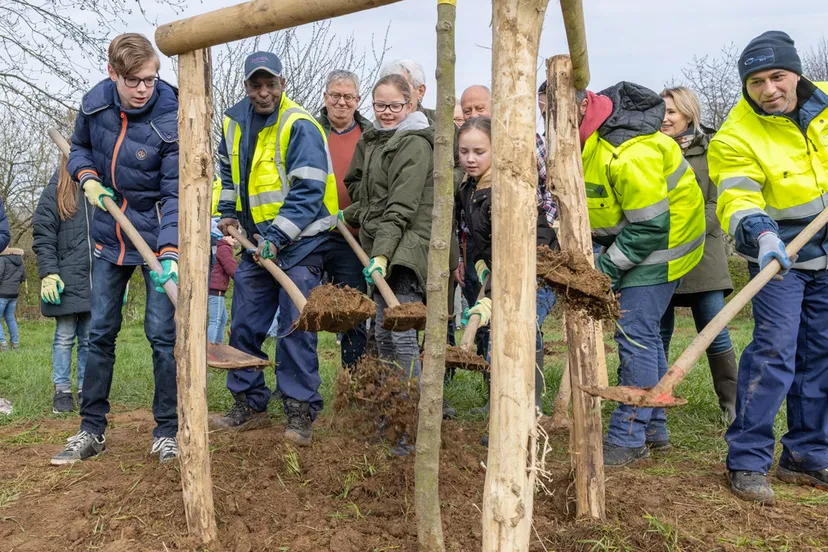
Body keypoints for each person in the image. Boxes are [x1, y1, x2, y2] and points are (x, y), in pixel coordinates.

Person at [709, 30, 828, 504]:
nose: (768, 89)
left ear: (796, 72)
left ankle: (806, 453)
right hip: (779, 257)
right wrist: (761, 234)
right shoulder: (736, 133)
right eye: (756, 81)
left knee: (820, 353)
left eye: (777, 76)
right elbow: (737, 194)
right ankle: (747, 458)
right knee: (776, 351)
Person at [51, 33, 180, 465]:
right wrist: (85, 174)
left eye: (150, 78)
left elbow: (175, 192)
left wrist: (171, 253)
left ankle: (167, 431)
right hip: (110, 234)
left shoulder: (174, 113)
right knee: (100, 331)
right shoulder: (95, 104)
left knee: (163, 336)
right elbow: (80, 148)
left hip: (158, 234)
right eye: (134, 80)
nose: (144, 88)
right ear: (113, 74)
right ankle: (91, 429)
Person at [210, 51, 338, 447]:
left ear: (283, 84)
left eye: (270, 84)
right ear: (246, 86)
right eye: (255, 85)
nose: (263, 92)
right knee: (245, 323)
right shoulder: (233, 124)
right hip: (255, 245)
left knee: (294, 326)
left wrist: (277, 238)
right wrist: (229, 212)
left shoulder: (300, 125)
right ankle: (249, 401)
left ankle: (299, 410)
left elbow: (308, 191)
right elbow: (228, 175)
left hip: (300, 244)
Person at [578, 82, 706, 467]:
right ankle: (654, 429)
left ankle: (628, 436)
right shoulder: (592, 141)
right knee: (644, 334)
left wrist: (605, 269)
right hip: (638, 237)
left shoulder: (630, 153)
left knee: (635, 332)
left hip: (664, 244)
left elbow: (650, 227)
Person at [342, 74, 434, 454]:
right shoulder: (379, 140)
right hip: (385, 245)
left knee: (400, 335)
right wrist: (347, 214)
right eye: (380, 105)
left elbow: (401, 207)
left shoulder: (413, 144)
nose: (387, 112)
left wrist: (381, 254)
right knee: (381, 334)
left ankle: (410, 420)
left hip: (408, 250)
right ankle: (390, 410)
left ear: (411, 104)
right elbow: (373, 199)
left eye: (395, 105)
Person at [456, 116, 557, 444]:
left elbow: (517, 246)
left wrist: (491, 297)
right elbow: (481, 240)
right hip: (500, 266)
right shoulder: (469, 188)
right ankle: (507, 414)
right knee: (502, 337)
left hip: (533, 268)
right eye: (464, 151)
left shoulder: (505, 188)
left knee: (522, 333)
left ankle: (529, 414)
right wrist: (484, 267)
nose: (471, 158)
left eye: (479, 152)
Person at [658, 86, 737, 422]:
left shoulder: (712, 148)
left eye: (671, 112)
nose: (664, 118)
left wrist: (685, 233)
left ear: (688, 113)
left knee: (713, 327)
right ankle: (655, 400)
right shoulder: (651, 150)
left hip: (703, 255)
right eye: (661, 112)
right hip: (660, 255)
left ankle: (732, 405)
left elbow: (716, 202)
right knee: (657, 329)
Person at [317, 70, 371, 371]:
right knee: (301, 308)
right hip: (312, 234)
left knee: (352, 311)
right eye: (335, 95)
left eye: (348, 96)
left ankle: (354, 379)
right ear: (325, 98)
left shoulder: (370, 136)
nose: (341, 102)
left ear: (357, 100)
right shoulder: (310, 130)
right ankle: (296, 385)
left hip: (351, 236)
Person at [32, 156, 94, 413]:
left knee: (90, 338)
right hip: (65, 281)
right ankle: (62, 390)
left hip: (95, 279)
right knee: (65, 337)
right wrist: (49, 272)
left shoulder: (99, 191)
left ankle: (85, 388)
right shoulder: (54, 191)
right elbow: (43, 235)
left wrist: (118, 280)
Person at [208, 234, 237, 344]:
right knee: (215, 320)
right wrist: (242, 279)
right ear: (225, 236)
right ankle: (210, 347)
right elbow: (231, 268)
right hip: (216, 289)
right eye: (232, 237)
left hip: (214, 287)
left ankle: (218, 344)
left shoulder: (219, 246)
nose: (235, 240)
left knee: (223, 318)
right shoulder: (224, 248)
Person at [0, 247, 25, 352]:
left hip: (2, 293)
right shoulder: (20, 261)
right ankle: (15, 344)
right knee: (10, 318)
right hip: (14, 294)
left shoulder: (2, 259)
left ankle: (2, 343)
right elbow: (23, 278)